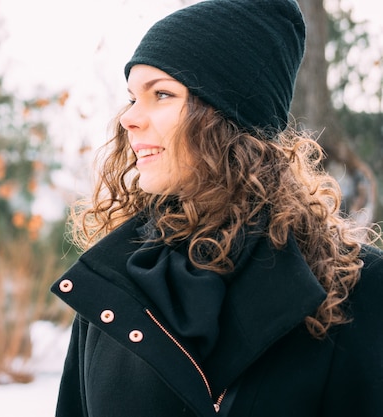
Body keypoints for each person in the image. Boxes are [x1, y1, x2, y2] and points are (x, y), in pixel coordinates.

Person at [50, 0, 383, 416]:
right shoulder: (114, 281)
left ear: (226, 116)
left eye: (162, 94)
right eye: (133, 97)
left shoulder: (357, 286)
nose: (128, 119)